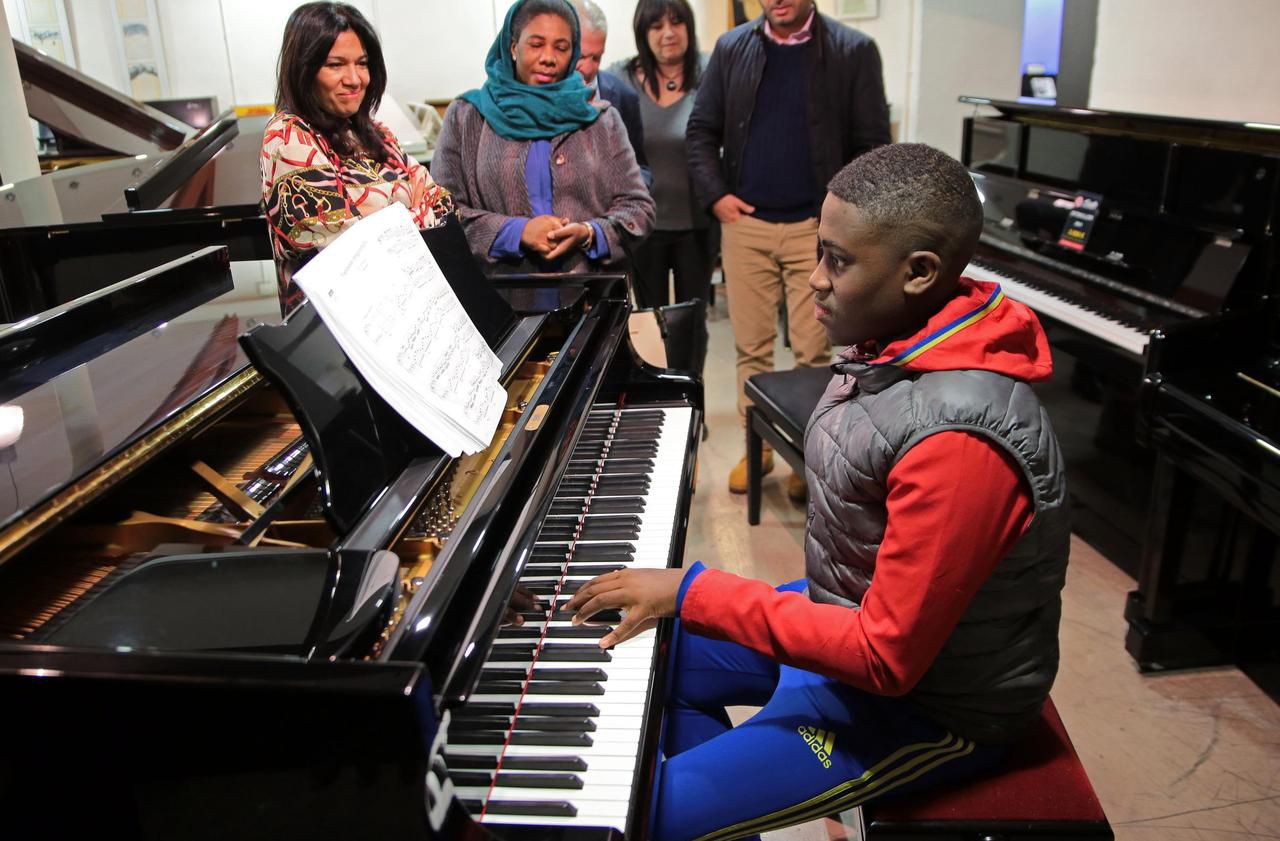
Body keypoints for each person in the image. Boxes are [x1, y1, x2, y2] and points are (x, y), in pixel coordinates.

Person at [564, 144, 1070, 840]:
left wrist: (691, 589)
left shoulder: (960, 441)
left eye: (837, 259)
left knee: (645, 813)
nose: (814, 280)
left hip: (930, 704)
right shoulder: (893, 340)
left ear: (919, 272)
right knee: (653, 660)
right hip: (847, 615)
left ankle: (702, 804)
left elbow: (885, 658)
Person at [686, 0, 891, 497]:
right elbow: (701, 130)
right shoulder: (732, 48)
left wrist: (841, 219)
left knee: (812, 349)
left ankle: (806, 452)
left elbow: (872, 145)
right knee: (750, 348)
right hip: (746, 226)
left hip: (816, 233)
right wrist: (716, 195)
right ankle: (755, 450)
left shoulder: (853, 49)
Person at [432, 0, 654, 274]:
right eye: (536, 44)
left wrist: (589, 233)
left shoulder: (601, 120)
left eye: (561, 48)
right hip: (501, 302)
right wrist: (516, 232)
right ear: (513, 47)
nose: (549, 57)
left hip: (592, 299)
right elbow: (441, 214)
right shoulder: (467, 117)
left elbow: (638, 208)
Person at [260, 1, 453, 314]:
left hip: (406, 309)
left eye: (362, 63)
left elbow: (444, 204)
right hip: (336, 330)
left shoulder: (375, 132)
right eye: (335, 65)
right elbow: (353, 253)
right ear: (304, 69)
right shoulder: (288, 136)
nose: (354, 79)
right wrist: (412, 209)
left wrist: (379, 220)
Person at [611, 0, 713, 327]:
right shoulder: (619, 78)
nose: (668, 33)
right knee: (651, 323)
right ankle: (657, 381)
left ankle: (689, 380)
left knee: (692, 324)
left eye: (677, 23)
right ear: (643, 32)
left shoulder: (711, 72)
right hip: (643, 226)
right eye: (656, 26)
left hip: (698, 224)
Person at [572, 0, 650, 187]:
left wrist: (633, 193)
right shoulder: (539, 92)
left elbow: (641, 168)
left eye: (596, 58)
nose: (588, 68)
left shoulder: (624, 97)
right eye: (581, 56)